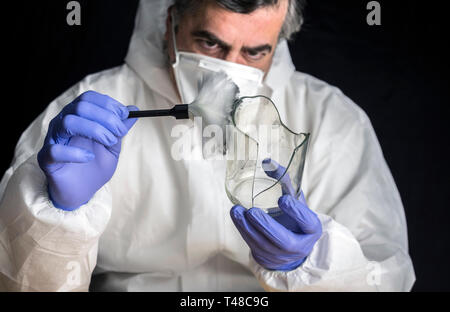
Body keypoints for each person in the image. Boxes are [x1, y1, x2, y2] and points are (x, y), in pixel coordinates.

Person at [0, 0, 415, 291]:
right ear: (170, 23)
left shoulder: (331, 118)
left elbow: (386, 279)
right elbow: (21, 284)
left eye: (255, 52)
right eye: (211, 44)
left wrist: (311, 265)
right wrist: (56, 215)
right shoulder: (91, 111)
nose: (229, 73)